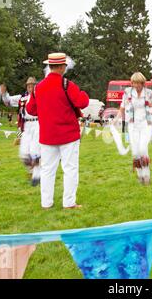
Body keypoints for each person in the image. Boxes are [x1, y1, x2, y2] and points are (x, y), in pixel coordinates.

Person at [26, 53, 90, 209]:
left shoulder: (38, 87)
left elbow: (30, 109)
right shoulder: (67, 84)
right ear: (61, 67)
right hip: (68, 134)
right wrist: (83, 93)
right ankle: (69, 203)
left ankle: (46, 203)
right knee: (70, 169)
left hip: (48, 135)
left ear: (50, 66)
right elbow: (82, 102)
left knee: (47, 170)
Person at [114, 72, 152, 185]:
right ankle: (140, 175)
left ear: (143, 83)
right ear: (132, 83)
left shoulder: (149, 93)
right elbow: (122, 107)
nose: (137, 85)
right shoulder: (127, 92)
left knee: (143, 148)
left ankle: (146, 174)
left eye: (139, 83)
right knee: (135, 152)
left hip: (146, 124)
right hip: (132, 125)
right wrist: (116, 119)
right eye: (134, 83)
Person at [0, 77, 41, 186]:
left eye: (32, 85)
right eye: (28, 85)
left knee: (34, 151)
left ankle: (37, 175)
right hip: (26, 125)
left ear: (35, 86)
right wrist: (4, 94)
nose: (30, 87)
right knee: (23, 153)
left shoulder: (41, 96)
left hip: (38, 124)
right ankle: (32, 171)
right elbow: (8, 102)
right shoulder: (21, 97)